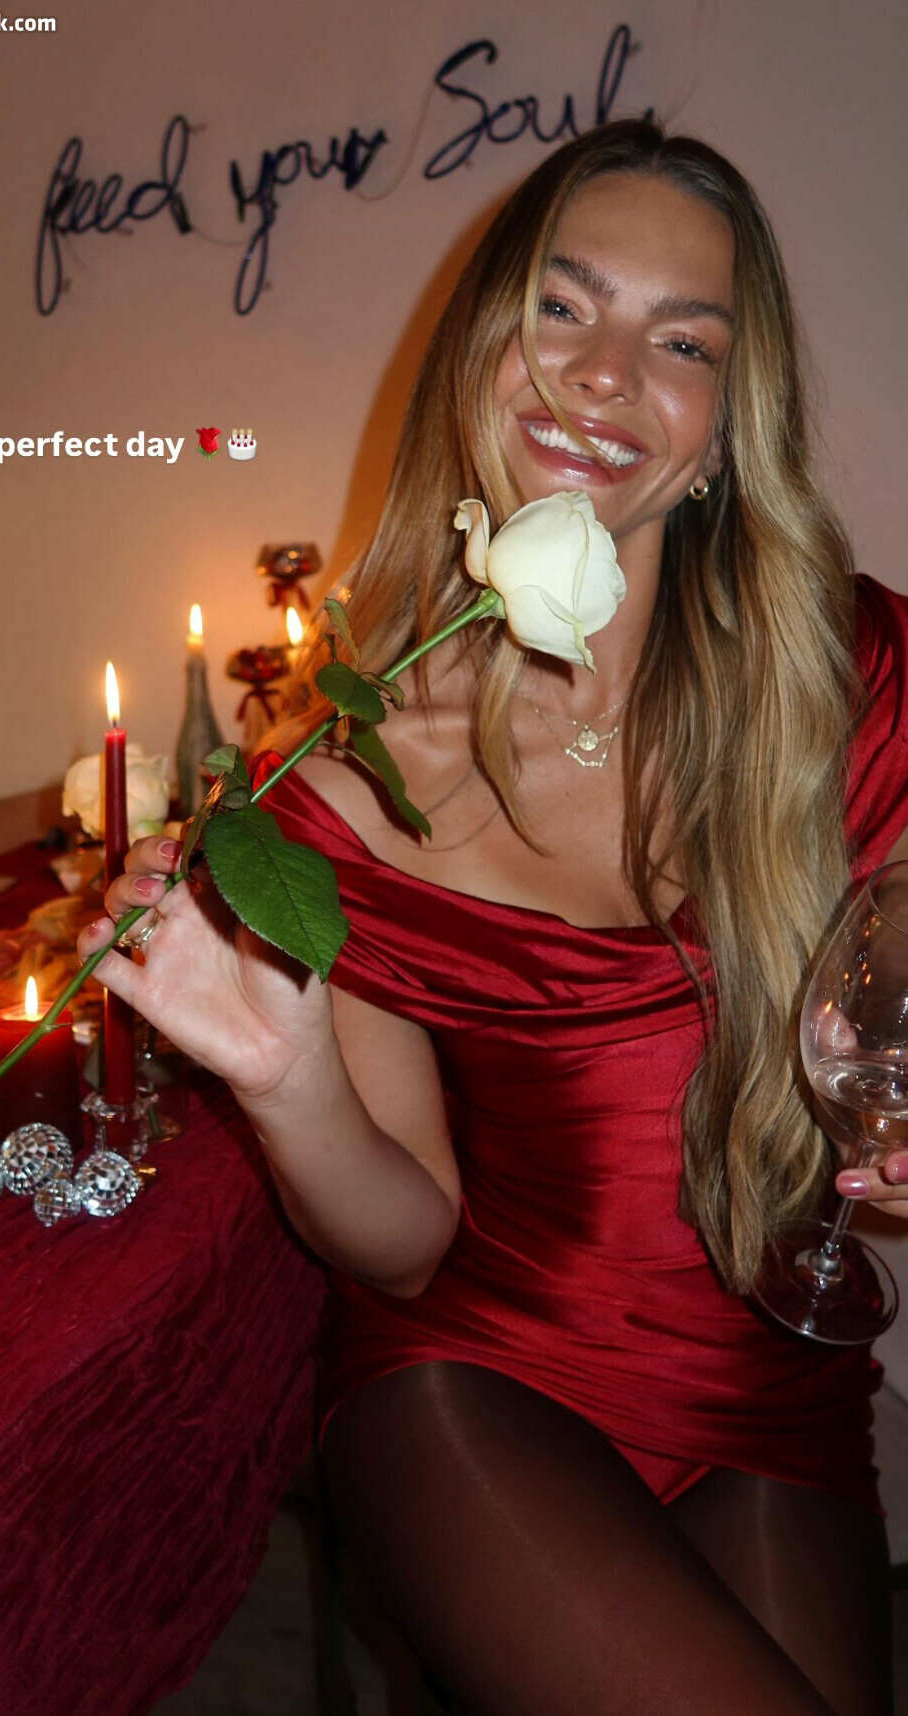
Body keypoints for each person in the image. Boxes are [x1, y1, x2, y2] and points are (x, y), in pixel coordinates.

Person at [80, 120, 908, 1715]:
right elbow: (401, 1247)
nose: (604, 375)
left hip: (771, 1377)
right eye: (559, 308)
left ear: (722, 433)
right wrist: (290, 1082)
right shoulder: (342, 785)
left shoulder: (847, 681)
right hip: (473, 1379)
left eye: (681, 343)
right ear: (476, 352)